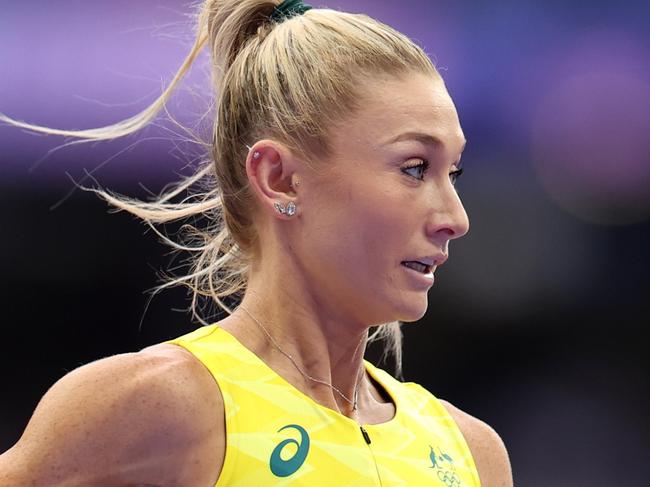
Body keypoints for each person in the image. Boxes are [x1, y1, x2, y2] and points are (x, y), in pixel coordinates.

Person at [0, 0, 513, 485]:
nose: (456, 218)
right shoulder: (162, 407)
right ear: (281, 178)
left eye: (454, 172)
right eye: (415, 168)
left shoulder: (470, 453)